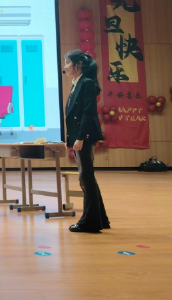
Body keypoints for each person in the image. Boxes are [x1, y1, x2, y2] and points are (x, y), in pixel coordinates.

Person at [63, 50, 110, 233]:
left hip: (85, 136)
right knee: (87, 177)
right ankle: (101, 219)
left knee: (86, 178)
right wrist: (71, 138)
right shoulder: (78, 83)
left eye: (68, 62)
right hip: (79, 136)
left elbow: (88, 113)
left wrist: (80, 137)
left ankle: (89, 222)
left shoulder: (87, 83)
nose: (65, 67)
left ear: (78, 64)